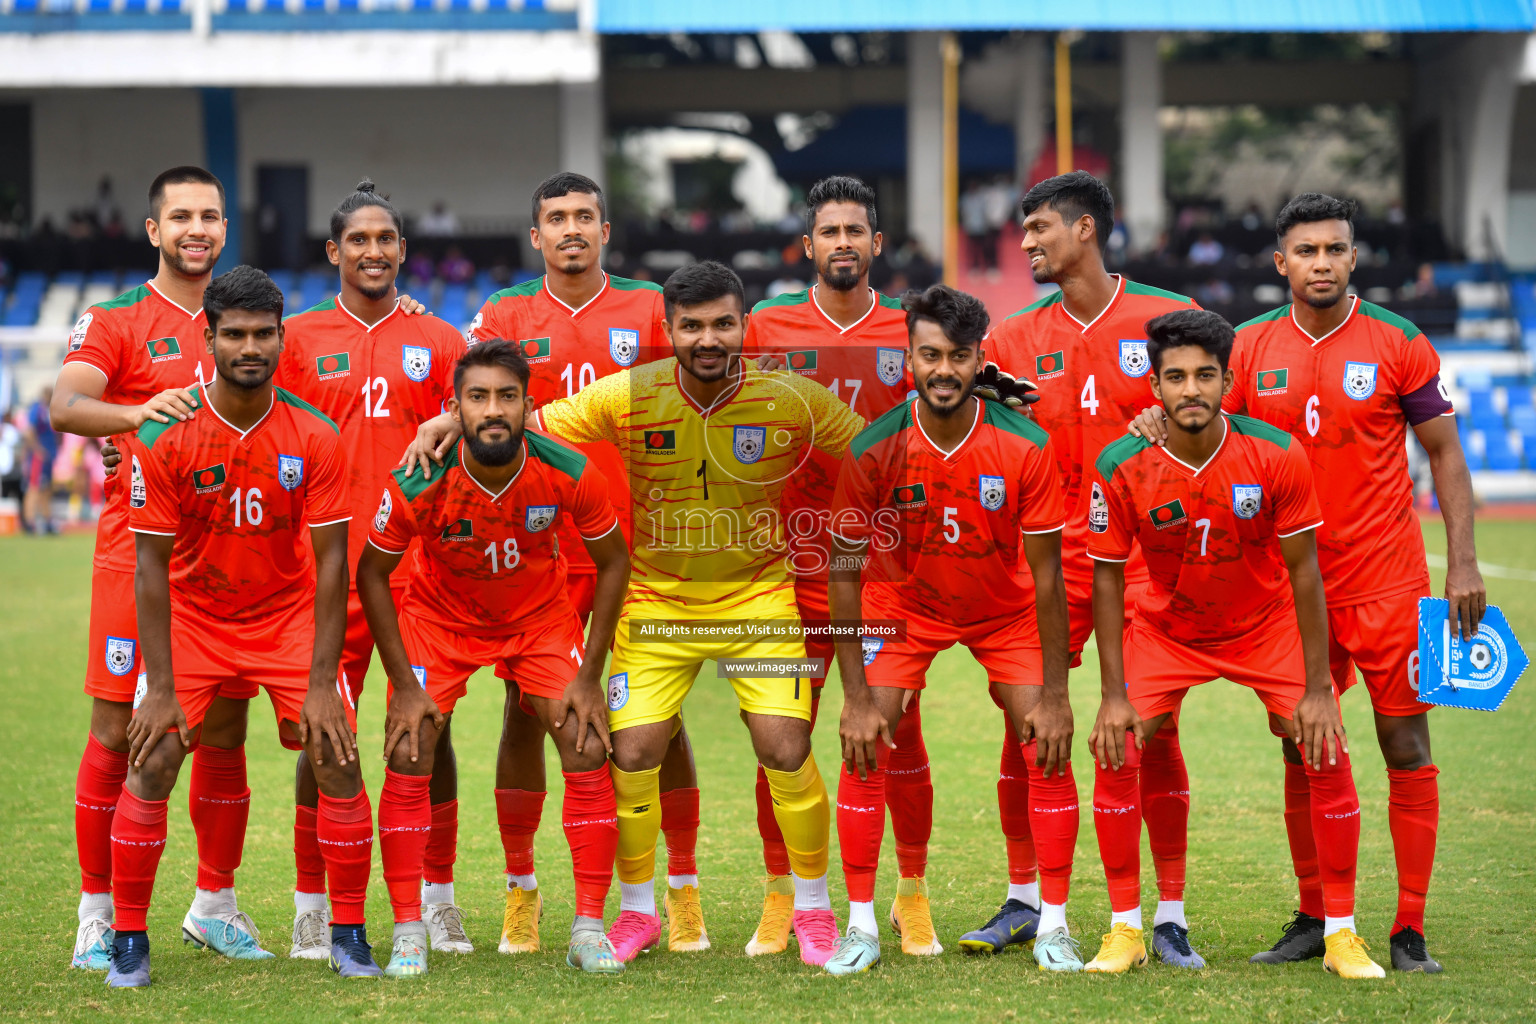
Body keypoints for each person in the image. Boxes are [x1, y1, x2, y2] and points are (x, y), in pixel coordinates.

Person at [1129, 193, 1484, 973]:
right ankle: (1315, 913)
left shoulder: (1400, 342)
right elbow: (1211, 434)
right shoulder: (1248, 348)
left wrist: (1461, 558)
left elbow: (1446, 455)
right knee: (1303, 744)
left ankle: (1410, 928)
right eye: (1307, 251)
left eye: (1335, 249)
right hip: (1290, 585)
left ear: (1353, 257)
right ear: (1281, 262)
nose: (1322, 263)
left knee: (1405, 743)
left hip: (1388, 580)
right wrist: (1153, 423)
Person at [533, 261, 865, 966]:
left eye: (722, 323)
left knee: (785, 744)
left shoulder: (792, 398)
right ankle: (638, 914)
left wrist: (968, 407)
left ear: (744, 326)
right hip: (656, 603)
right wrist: (444, 422)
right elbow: (527, 424)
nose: (707, 338)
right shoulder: (628, 394)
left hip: (759, 600)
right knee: (631, 752)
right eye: (691, 326)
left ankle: (814, 909)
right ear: (669, 330)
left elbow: (880, 445)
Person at [1086, 308, 1381, 979]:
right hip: (1166, 627)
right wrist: (1111, 696)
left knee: (1323, 744)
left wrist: (1316, 688)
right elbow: (1106, 578)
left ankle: (1341, 934)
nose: (1191, 389)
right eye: (1176, 377)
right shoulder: (1121, 462)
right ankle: (1127, 928)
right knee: (1120, 745)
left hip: (1262, 624)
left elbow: (1305, 571)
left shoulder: (1275, 453)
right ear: (1154, 387)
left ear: (1226, 381)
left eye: (1205, 376)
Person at [456, 172, 708, 955]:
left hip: (632, 547)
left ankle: (682, 886)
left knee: (656, 722)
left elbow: (699, 404)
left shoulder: (647, 308)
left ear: (606, 230)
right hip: (529, 550)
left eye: (585, 217)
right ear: (536, 236)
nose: (572, 229)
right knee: (523, 715)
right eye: (556, 218)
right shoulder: (504, 313)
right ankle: (522, 889)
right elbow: (463, 402)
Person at [109, 266, 374, 987]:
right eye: (235, 334)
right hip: (195, 618)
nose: (249, 347)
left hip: (284, 617)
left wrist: (323, 684)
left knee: (338, 755)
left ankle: (348, 934)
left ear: (282, 338)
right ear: (210, 337)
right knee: (154, 757)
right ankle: (127, 940)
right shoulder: (165, 433)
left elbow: (330, 567)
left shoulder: (315, 436)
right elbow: (148, 569)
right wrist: (159, 687)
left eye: (263, 334)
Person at [973, 171, 1199, 960]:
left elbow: (1219, 416)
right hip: (1047, 563)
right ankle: (1025, 898)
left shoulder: (1167, 321)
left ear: (1086, 230)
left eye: (1039, 228)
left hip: (1146, 561)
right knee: (1030, 728)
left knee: (1151, 729)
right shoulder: (1006, 339)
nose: (1026, 242)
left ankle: (1165, 915)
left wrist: (1170, 425)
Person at [357, 340, 630, 976]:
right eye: (477, 398)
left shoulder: (566, 468)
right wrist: (401, 683)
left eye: (507, 396)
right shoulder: (421, 478)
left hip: (537, 621)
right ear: (455, 408)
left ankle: (589, 928)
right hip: (440, 622)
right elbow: (373, 574)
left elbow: (614, 560)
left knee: (587, 741)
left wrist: (591, 677)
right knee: (409, 744)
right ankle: (407, 929)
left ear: (529, 405)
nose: (493, 410)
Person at [49, 167, 265, 970]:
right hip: (134, 554)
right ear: (154, 231)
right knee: (117, 729)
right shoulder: (117, 320)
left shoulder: (249, 319)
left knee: (225, 729)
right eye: (181, 217)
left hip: (233, 562)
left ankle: (215, 903)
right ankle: (97, 911)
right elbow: (66, 405)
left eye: (210, 214)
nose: (197, 229)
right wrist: (137, 413)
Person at [823, 284, 1070, 975]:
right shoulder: (873, 448)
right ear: (908, 356)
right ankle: (864, 926)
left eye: (958, 356)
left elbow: (1048, 577)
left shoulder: (1024, 444)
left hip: (1005, 608)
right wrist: (853, 696)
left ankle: (1052, 922)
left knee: (1043, 741)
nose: (943, 370)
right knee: (866, 742)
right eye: (929, 355)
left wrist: (1056, 693)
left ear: (977, 358)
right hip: (904, 608)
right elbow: (842, 572)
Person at [741, 175, 939, 959]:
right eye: (831, 232)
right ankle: (784, 895)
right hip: (785, 569)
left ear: (877, 244)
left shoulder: (909, 328)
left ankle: (912, 894)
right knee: (781, 739)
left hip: (883, 570)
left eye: (857, 230)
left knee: (897, 734)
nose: (844, 244)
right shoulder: (766, 326)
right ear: (809, 245)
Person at [273, 180, 471, 959]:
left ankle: (439, 898)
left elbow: (488, 411)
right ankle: (312, 904)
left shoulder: (442, 338)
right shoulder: (293, 337)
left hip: (417, 573)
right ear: (334, 251)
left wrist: (449, 417)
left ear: (403, 249)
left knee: (428, 732)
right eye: (358, 239)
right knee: (323, 736)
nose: (374, 251)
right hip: (319, 571)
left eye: (386, 238)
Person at [22, 385, 59, 533]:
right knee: (34, 488)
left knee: (46, 490)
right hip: (39, 457)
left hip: (48, 456)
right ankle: (29, 522)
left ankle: (47, 520)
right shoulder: (37, 409)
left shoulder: (49, 410)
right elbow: (29, 432)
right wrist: (37, 450)